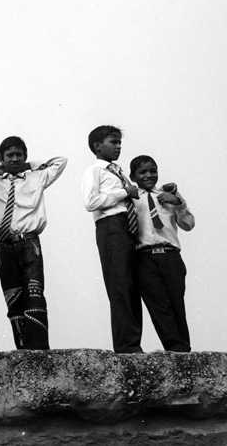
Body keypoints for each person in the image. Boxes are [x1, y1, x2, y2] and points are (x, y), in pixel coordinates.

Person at [0, 136, 67, 350]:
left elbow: (60, 161)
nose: (14, 159)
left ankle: (39, 348)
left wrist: (29, 165)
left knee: (34, 294)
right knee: (13, 298)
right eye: (9, 156)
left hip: (29, 243)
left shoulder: (36, 177)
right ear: (1, 158)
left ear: (25, 156)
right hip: (5, 246)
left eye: (19, 155)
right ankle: (22, 348)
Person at [81, 125, 143, 353]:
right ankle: (126, 345)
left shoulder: (119, 172)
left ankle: (134, 342)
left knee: (132, 285)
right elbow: (91, 202)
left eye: (119, 142)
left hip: (129, 227)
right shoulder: (94, 171)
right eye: (113, 142)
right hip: (111, 226)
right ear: (97, 146)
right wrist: (124, 192)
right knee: (119, 284)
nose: (118, 147)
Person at [129, 155, 195, 352]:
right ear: (133, 176)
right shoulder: (131, 199)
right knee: (159, 306)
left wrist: (178, 202)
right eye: (142, 172)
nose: (149, 175)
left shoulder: (169, 196)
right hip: (145, 258)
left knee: (177, 303)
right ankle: (175, 348)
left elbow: (188, 224)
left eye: (153, 171)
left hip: (170, 256)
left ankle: (184, 349)